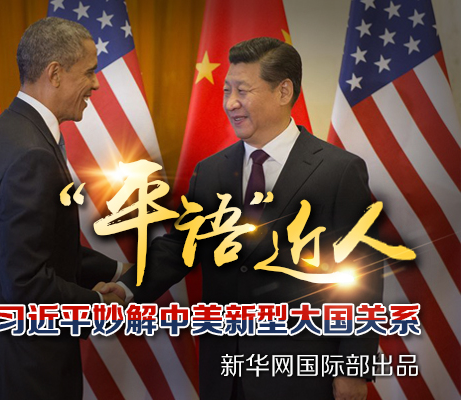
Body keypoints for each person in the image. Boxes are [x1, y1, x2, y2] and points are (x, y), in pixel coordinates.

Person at [101, 37, 383, 400]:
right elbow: (180, 246)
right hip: (225, 373)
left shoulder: (338, 171)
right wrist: (126, 289)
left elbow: (362, 276)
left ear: (283, 91)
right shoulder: (211, 171)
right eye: (226, 90)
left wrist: (353, 368)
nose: (230, 103)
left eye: (242, 91)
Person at [0, 17, 125, 400]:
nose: (96, 84)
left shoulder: (1, 132)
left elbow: (36, 250)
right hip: (20, 371)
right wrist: (98, 303)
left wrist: (117, 270)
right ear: (55, 73)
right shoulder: (33, 155)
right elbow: (26, 285)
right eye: (88, 72)